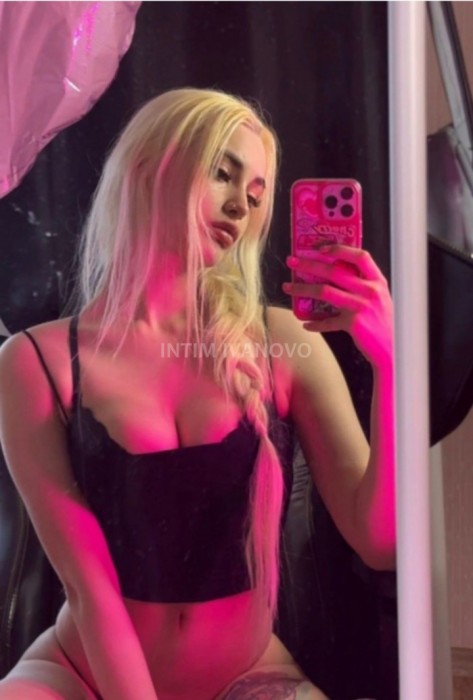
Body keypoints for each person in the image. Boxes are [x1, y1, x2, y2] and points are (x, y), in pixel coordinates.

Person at [0, 87, 395, 700]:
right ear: (145, 167)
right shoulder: (35, 363)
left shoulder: (282, 342)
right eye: (222, 173)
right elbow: (89, 588)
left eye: (256, 195)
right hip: (80, 675)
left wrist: (391, 363)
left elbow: (380, 542)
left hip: (247, 676)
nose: (240, 205)